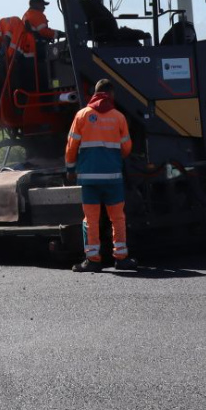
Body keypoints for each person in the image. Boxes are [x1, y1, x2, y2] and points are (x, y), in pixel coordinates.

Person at [65, 79, 136, 272]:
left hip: (89, 179)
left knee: (91, 219)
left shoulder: (82, 115)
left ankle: (93, 260)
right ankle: (121, 258)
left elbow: (71, 146)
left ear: (94, 94)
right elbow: (127, 147)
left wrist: (70, 169)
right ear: (111, 94)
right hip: (113, 178)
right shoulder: (119, 117)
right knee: (117, 218)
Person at [13, 0, 58, 92]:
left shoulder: (27, 14)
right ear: (35, 4)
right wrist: (59, 34)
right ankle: (56, 86)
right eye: (42, 5)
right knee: (57, 62)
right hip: (39, 48)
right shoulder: (36, 14)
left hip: (30, 50)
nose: (44, 7)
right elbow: (43, 31)